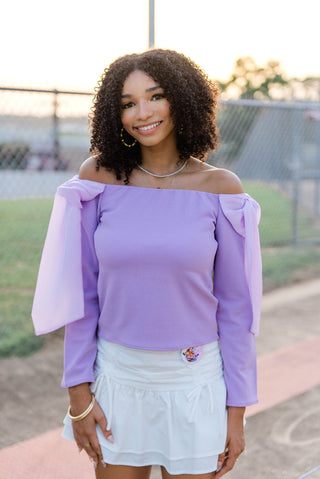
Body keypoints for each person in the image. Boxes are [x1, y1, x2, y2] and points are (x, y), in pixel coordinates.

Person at [32, 48, 262, 479]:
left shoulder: (221, 189)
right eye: (127, 103)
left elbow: (236, 309)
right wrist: (78, 396)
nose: (143, 113)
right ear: (113, 114)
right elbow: (82, 294)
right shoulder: (96, 180)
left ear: (182, 99)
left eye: (155, 96)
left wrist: (236, 413)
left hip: (196, 384)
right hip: (118, 379)